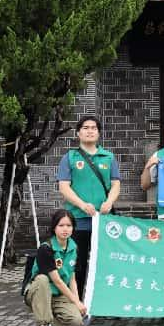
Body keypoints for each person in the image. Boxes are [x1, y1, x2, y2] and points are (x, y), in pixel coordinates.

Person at [57, 116, 120, 298]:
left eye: (93, 128)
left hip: (104, 221)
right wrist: (82, 205)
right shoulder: (70, 157)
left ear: (99, 133)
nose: (90, 131)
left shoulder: (108, 157)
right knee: (78, 264)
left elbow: (116, 184)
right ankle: (76, 301)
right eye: (85, 127)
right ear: (78, 133)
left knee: (105, 263)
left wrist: (109, 202)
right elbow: (64, 187)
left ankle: (104, 301)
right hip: (78, 221)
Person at [24, 209, 86, 326]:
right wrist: (76, 302)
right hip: (39, 292)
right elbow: (57, 281)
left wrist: (77, 302)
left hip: (58, 295)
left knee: (76, 322)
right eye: (61, 225)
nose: (65, 229)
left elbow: (72, 279)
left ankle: (50, 324)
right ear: (54, 227)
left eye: (69, 225)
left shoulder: (74, 248)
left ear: (73, 228)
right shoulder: (46, 248)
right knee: (42, 279)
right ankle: (44, 325)